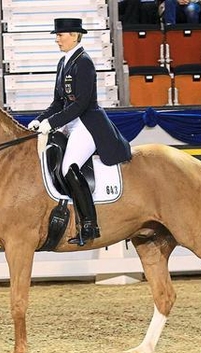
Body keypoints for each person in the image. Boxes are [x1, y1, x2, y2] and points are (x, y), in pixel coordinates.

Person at [27, 18, 132, 246]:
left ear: (74, 36)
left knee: (68, 167)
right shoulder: (63, 62)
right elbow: (58, 102)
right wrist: (40, 119)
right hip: (71, 122)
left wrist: (53, 122)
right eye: (57, 35)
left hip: (87, 123)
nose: (57, 39)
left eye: (61, 35)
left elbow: (81, 104)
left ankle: (89, 224)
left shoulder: (83, 62)